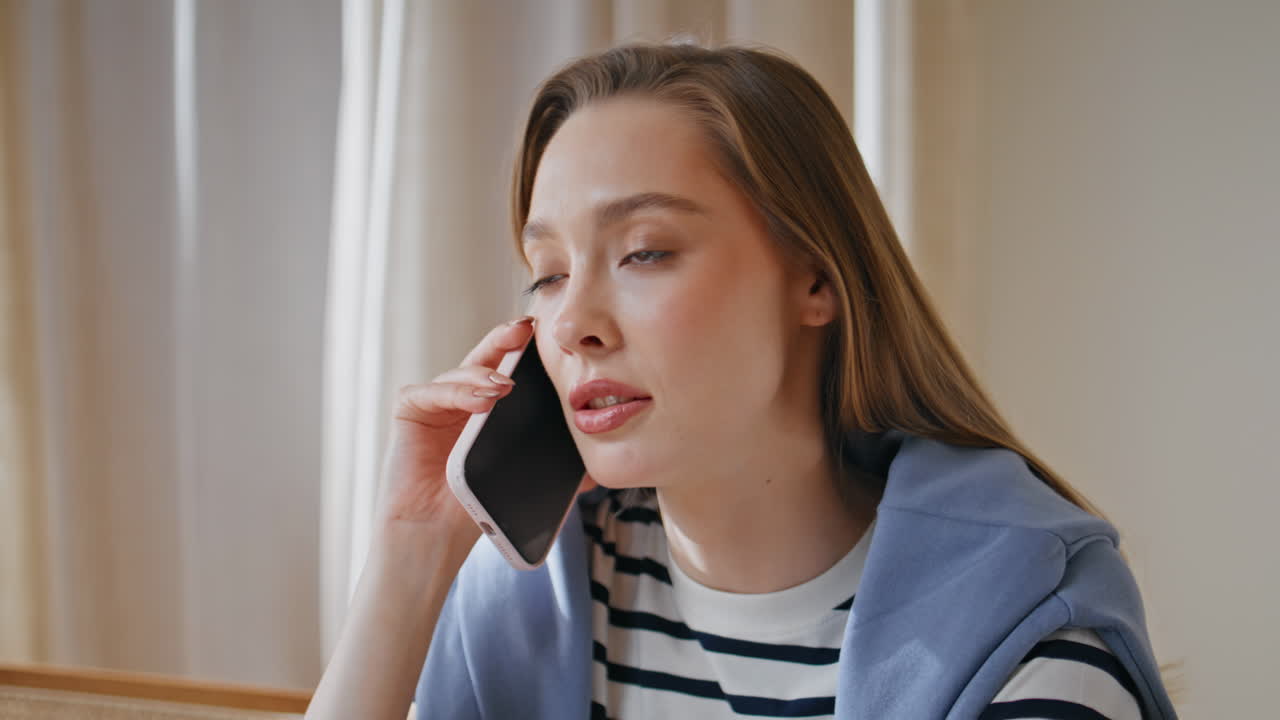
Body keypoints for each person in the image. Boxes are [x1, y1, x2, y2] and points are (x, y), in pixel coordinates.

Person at [306, 44, 1177, 720]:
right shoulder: (525, 594)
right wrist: (411, 556)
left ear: (817, 280)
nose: (572, 322)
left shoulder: (1027, 633)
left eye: (645, 251)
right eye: (547, 271)